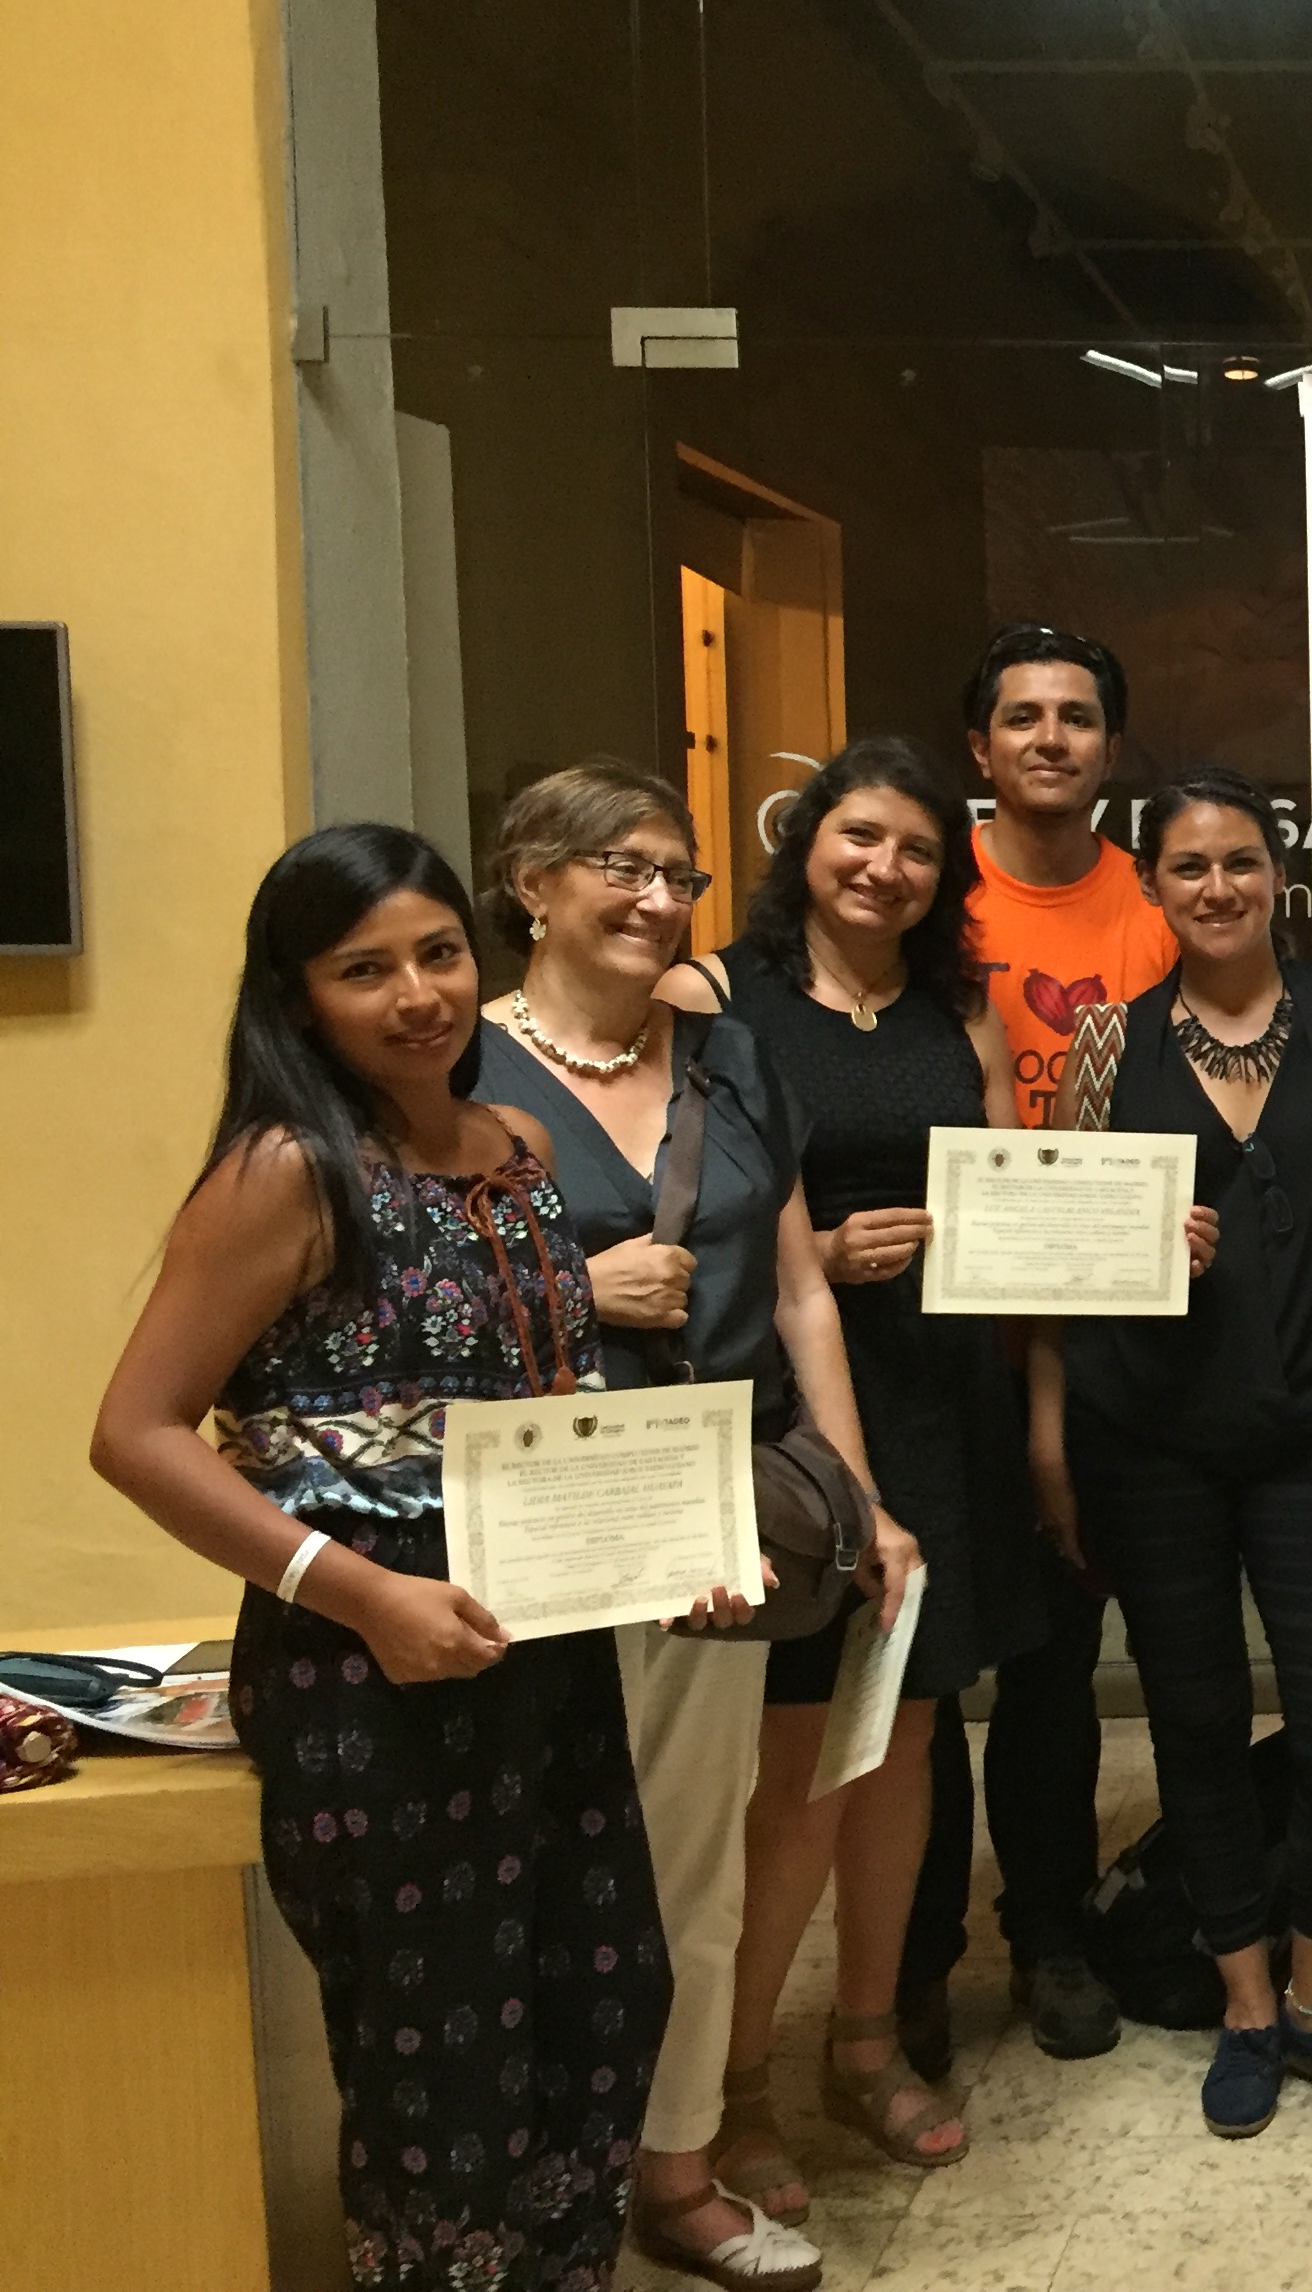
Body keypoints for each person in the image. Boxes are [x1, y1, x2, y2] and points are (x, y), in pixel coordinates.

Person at [87, 825, 668, 2291]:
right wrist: (360, 1594)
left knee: (602, 2008)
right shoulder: (288, 1173)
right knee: (440, 2079)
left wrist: (665, 1551)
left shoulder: (519, 1154)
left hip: (545, 1653)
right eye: (366, 970)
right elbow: (138, 1432)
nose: (418, 994)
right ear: (297, 1003)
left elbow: (548, 1412)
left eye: (437, 954)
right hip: (368, 1679)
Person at [475, 761, 916, 2292]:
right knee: (524, 1859)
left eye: (681, 874)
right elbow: (378, 1304)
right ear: (533, 882)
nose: (660, 898)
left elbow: (797, 1289)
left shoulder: (727, 1060)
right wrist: (563, 1293)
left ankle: (673, 2171)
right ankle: (525, 2183)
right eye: (623, 866)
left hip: (706, 1509)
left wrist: (856, 1496)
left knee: (691, 1862)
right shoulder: (450, 1071)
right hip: (524, 1522)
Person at [1054, 764, 1312, 2139]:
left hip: (1310, 1432)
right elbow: (1061, 1242)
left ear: (1277, 874)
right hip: (1148, 1439)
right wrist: (1130, 1245)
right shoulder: (1108, 1044)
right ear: (1151, 886)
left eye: (1237, 862)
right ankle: (1241, 2002)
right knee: (1198, 1722)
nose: (1215, 887)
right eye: (1186, 868)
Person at [671, 738, 1044, 2196]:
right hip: (789, 1417)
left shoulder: (958, 1005)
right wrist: (805, 1259)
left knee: (907, 1744)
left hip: (945, 1396)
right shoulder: (715, 996)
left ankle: (869, 2040)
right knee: (794, 1774)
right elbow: (677, 1201)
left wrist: (1091, 1233)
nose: (884, 868)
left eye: (916, 851)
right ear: (805, 841)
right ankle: (734, 2081)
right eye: (860, 837)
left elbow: (1014, 1193)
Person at [899, 621, 1181, 2074]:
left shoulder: (1162, 907)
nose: (1052, 737)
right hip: (942, 1345)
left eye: (1078, 715)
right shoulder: (924, 905)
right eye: (1023, 716)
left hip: (1111, 1341)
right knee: (931, 1670)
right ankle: (916, 1960)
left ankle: (1052, 1931)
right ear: (980, 747)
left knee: (1062, 1665)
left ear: (1110, 751)